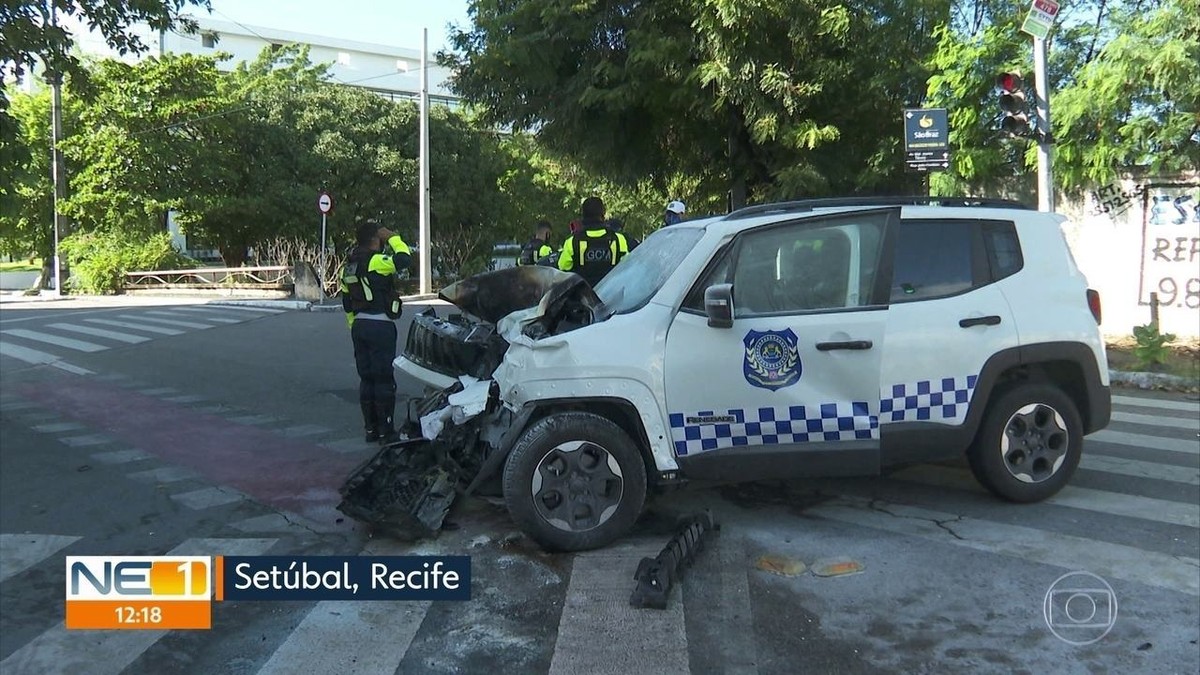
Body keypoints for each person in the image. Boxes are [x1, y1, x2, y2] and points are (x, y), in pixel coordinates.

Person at [340, 220, 412, 444]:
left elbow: (347, 302)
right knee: (383, 381)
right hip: (380, 326)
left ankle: (371, 430)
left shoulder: (349, 265)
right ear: (375, 239)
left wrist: (353, 324)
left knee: (367, 379)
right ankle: (386, 432)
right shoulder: (376, 261)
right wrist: (393, 237)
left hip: (359, 327)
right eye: (380, 239)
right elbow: (404, 259)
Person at [558, 196, 629, 286]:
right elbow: (627, 267)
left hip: (583, 296)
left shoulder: (572, 241)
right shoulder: (618, 239)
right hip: (612, 296)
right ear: (603, 213)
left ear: (583, 215)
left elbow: (562, 267)